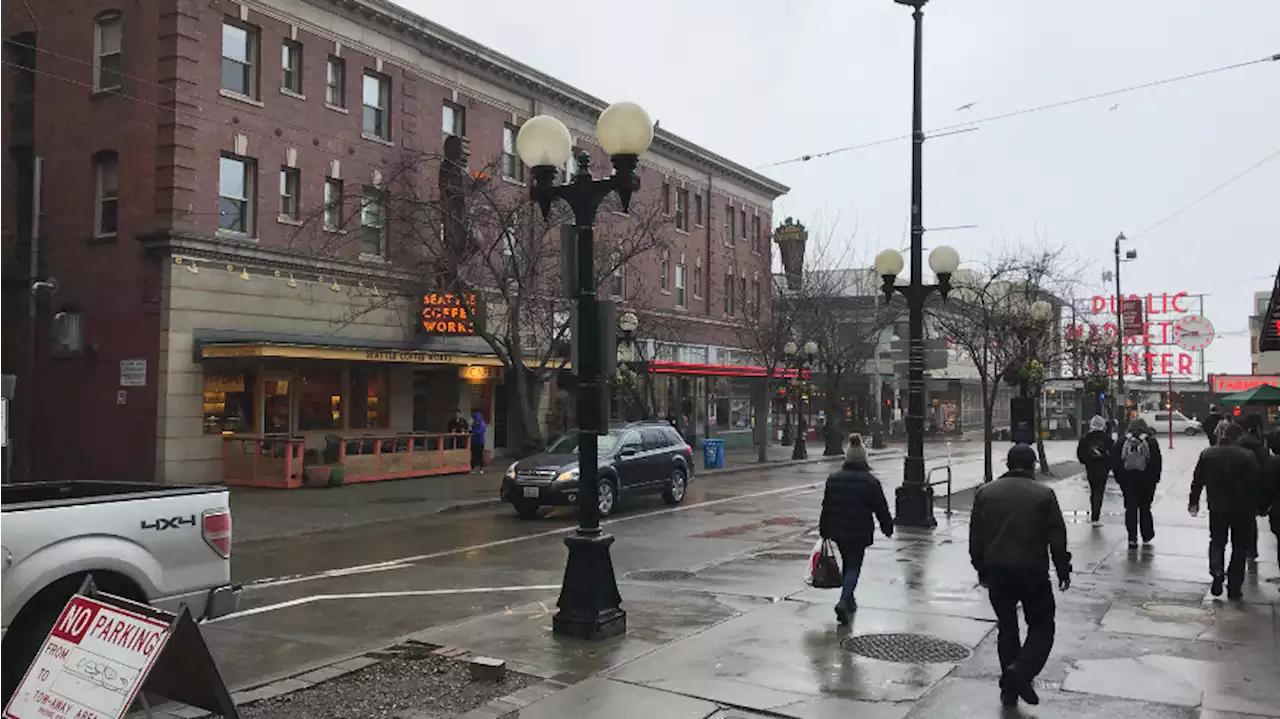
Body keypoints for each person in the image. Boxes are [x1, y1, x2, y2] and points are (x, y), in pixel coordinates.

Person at [969, 444, 1072, 708]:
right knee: (1042, 626)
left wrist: (980, 567)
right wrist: (1063, 569)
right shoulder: (1044, 495)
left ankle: (1011, 689)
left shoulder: (985, 493)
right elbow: (1057, 538)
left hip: (998, 569)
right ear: (1033, 465)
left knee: (1007, 628)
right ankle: (1020, 672)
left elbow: (976, 536)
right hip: (1032, 570)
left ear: (1008, 464)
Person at [818, 433, 893, 625]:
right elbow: (881, 507)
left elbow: (827, 506)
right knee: (853, 566)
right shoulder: (870, 482)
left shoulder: (833, 479)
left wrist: (824, 528)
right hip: (859, 530)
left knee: (847, 562)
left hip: (838, 530)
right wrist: (887, 526)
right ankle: (844, 601)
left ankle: (849, 599)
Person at [1190, 423, 1263, 599]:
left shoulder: (1208, 453)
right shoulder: (1247, 456)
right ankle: (1234, 585)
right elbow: (1256, 484)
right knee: (1239, 546)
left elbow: (1198, 480)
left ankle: (1216, 571)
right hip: (1242, 508)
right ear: (1239, 438)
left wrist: (1193, 502)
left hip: (1217, 507)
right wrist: (1259, 505)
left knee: (1217, 541)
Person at [1114, 417, 1162, 548]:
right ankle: (1146, 535)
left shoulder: (1122, 441)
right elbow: (1157, 462)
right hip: (1146, 480)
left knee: (1130, 508)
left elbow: (1116, 462)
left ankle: (1132, 538)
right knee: (1145, 507)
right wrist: (1155, 478)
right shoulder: (1151, 441)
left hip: (1127, 479)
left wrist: (1120, 479)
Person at [1238, 413, 1272, 561]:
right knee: (1250, 521)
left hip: (1238, 489)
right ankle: (1251, 550)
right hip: (1254, 489)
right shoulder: (1260, 448)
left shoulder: (1239, 447)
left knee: (1239, 522)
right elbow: (1266, 472)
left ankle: (1241, 548)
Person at [1076, 415, 1115, 527]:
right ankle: (1095, 517)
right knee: (1099, 491)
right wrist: (1109, 465)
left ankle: (1094, 512)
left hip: (1091, 468)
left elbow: (1080, 455)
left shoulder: (1085, 438)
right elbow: (1113, 454)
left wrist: (1088, 461)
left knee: (1093, 490)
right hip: (1103, 469)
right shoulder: (1107, 438)